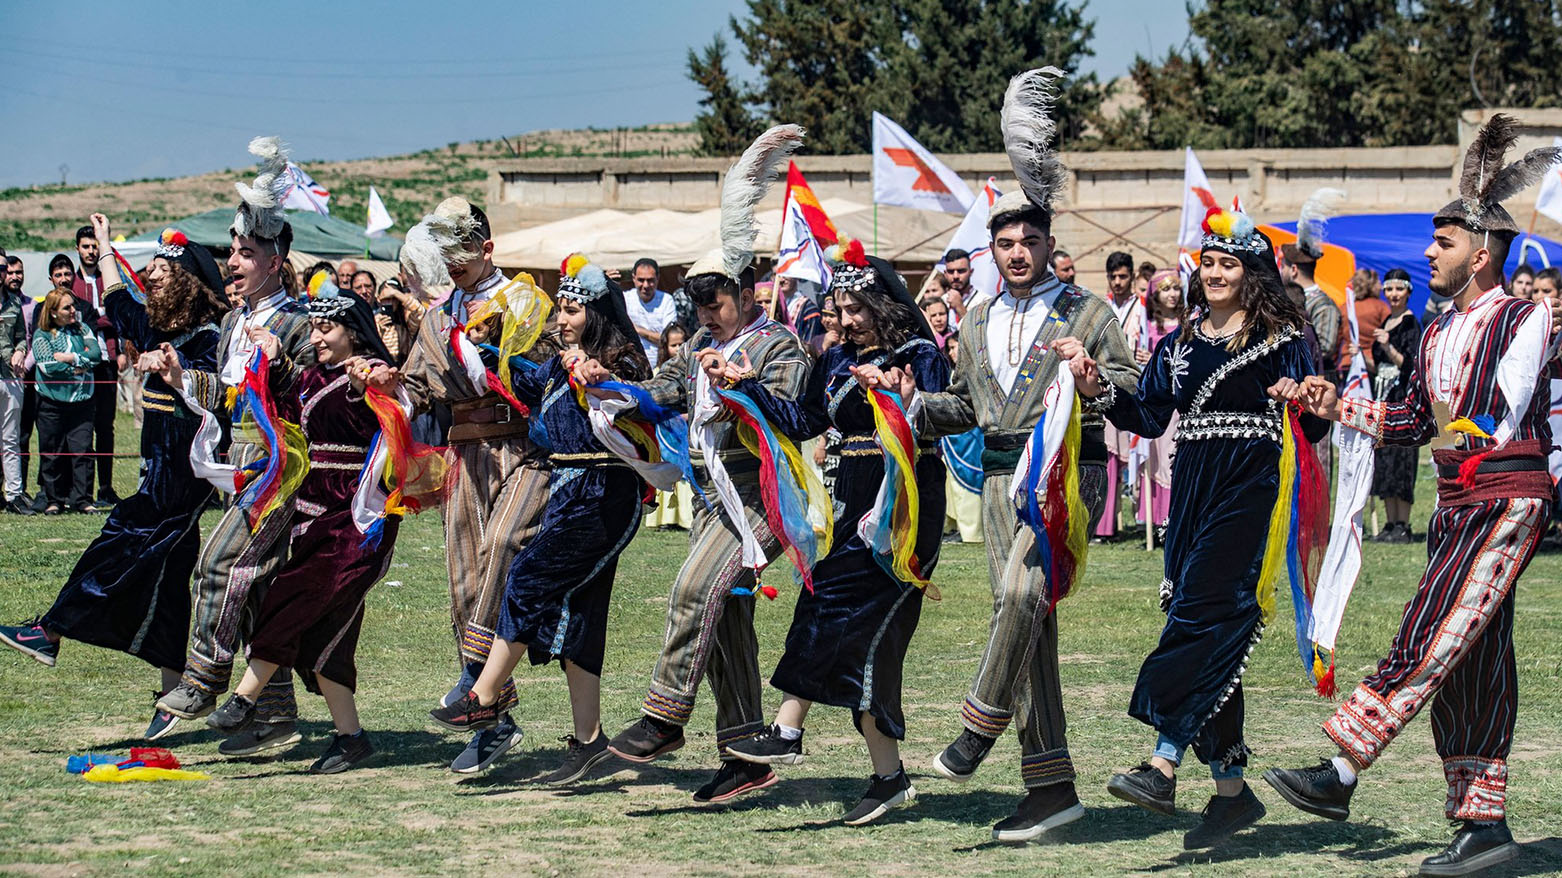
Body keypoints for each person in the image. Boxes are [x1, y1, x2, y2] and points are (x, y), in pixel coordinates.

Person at [1264, 114, 1560, 877]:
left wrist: (1464, 430)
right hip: (1457, 504)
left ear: (1484, 253)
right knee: (1472, 661)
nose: (1428, 252)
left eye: (1444, 242)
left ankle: (1343, 770)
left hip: (1507, 499)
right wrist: (1334, 405)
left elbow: (1504, 401)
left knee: (1429, 629)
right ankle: (1483, 827)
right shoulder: (1430, 334)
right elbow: (1404, 420)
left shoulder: (1526, 315)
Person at [863, 68, 1139, 843]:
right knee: (1026, 625)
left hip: (1061, 479)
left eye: (1030, 241)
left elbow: (1130, 385)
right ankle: (1051, 789)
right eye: (1006, 243)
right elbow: (962, 404)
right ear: (993, 250)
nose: (1018, 252)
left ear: (1054, 247)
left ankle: (978, 724)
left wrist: (1090, 378)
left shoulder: (1090, 310)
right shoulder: (976, 319)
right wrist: (907, 404)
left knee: (1022, 600)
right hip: (991, 477)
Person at [1069, 206, 1327, 850]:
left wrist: (1313, 403)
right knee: (1208, 627)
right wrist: (1095, 387)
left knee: (1207, 613)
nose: (1213, 273)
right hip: (1191, 488)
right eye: (1207, 262)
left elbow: (1314, 419)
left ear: (1252, 274)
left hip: (1254, 485)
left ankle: (1162, 762)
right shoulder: (1179, 344)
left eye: (1228, 264)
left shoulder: (1286, 337)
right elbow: (1150, 416)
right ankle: (1233, 794)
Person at [582, 125, 811, 804]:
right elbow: (665, 390)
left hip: (764, 500)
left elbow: (795, 418)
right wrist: (613, 390)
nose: (707, 312)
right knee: (727, 618)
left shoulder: (776, 346)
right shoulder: (698, 349)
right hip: (717, 501)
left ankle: (663, 716)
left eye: (717, 299)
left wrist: (742, 385)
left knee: (690, 590)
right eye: (700, 302)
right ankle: (744, 757)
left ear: (746, 290)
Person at [715, 245, 948, 824]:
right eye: (837, 309)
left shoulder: (919, 354)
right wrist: (747, 387)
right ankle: (888, 778)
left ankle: (788, 728)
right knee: (863, 646)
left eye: (856, 309)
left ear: (882, 303)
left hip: (902, 508)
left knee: (833, 607)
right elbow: (802, 422)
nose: (845, 321)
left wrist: (903, 398)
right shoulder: (836, 358)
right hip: (849, 503)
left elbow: (946, 412)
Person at [0, 218, 228, 739]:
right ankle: (176, 690)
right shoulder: (155, 325)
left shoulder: (208, 337)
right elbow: (117, 295)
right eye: (153, 269)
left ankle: (51, 630)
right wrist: (104, 248)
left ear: (190, 282)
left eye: (164, 272)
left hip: (184, 474)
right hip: (155, 466)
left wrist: (177, 375)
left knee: (122, 532)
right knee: (170, 578)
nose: (152, 276)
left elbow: (225, 390)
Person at [431, 255, 652, 786]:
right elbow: (527, 384)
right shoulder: (561, 361)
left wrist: (601, 379)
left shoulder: (620, 361)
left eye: (573, 310)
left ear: (596, 311)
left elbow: (642, 399)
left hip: (604, 494)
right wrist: (486, 344)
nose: (563, 319)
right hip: (568, 492)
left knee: (528, 576)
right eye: (562, 310)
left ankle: (482, 697)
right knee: (579, 622)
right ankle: (589, 741)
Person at [154, 137, 316, 757]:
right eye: (231, 253)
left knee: (220, 565)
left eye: (246, 254)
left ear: (275, 260)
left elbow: (316, 394)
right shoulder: (230, 323)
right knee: (251, 587)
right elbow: (226, 397)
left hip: (285, 468)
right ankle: (272, 719)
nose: (233, 262)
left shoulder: (297, 323)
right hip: (242, 463)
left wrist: (282, 369)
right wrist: (177, 376)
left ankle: (203, 679)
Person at [205, 286, 408, 774]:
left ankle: (244, 698)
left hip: (356, 522)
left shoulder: (367, 378)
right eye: (314, 326)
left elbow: (394, 400)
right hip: (310, 513)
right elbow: (286, 406)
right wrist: (273, 360)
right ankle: (351, 739)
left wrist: (371, 381)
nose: (315, 336)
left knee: (290, 597)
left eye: (326, 328)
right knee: (325, 638)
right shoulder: (312, 376)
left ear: (352, 334)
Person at [398, 195, 557, 774]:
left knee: (503, 543)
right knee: (464, 579)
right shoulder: (437, 314)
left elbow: (544, 369)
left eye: (463, 251)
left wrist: (496, 355)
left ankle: (473, 678)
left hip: (524, 447)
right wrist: (390, 384)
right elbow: (417, 386)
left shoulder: (524, 300)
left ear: (487, 247)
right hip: (464, 454)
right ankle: (492, 722)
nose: (454, 262)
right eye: (445, 253)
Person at [29, 287, 104, 514]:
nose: (74, 310)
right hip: (51, 402)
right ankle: (54, 499)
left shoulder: (82, 329)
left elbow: (96, 356)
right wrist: (79, 368)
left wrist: (71, 357)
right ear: (53, 312)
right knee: (52, 451)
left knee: (83, 450)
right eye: (67, 307)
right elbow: (48, 367)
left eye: (73, 305)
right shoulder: (42, 335)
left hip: (82, 401)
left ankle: (83, 500)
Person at [1096, 250, 1148, 541]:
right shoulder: (1101, 307)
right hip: (1105, 385)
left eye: (1123, 276)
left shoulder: (1141, 309)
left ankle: (1142, 517)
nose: (1117, 282)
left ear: (1132, 276)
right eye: (1113, 276)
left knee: (1138, 454)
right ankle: (1105, 525)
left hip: (1134, 385)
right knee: (1109, 455)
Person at [1369, 268, 1421, 544]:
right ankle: (1390, 523)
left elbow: (1411, 365)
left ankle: (1403, 523)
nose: (1394, 294)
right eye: (1389, 289)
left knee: (1402, 458)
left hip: (1401, 397)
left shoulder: (1410, 325)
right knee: (1385, 457)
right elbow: (1379, 366)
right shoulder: (1387, 321)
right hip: (1383, 397)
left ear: (1408, 291)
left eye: (1399, 289)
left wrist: (1389, 348)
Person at [71, 225, 121, 505]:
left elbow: (118, 315)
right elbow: (80, 320)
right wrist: (100, 317)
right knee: (82, 426)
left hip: (107, 361)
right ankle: (82, 491)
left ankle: (106, 487)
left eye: (94, 247)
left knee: (106, 426)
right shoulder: (73, 284)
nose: (91, 252)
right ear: (77, 248)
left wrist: (98, 319)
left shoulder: (109, 280)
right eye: (86, 247)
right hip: (81, 364)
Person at [1141, 270, 1181, 535]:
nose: (1172, 294)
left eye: (1176, 288)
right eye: (1166, 289)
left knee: (1176, 456)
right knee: (1158, 458)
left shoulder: (1189, 323)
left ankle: (1177, 516)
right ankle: (1158, 517)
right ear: (1156, 294)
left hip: (1181, 401)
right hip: (1160, 401)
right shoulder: (1149, 327)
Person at [643, 323, 694, 531]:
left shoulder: (693, 374)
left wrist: (687, 416)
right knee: (667, 468)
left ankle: (685, 516)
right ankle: (664, 517)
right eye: (674, 345)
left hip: (686, 430)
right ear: (665, 347)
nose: (679, 349)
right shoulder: (658, 373)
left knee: (685, 469)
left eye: (683, 344)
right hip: (665, 431)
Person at [0, 250, 31, 514]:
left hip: (9, 378)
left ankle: (14, 495)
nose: (2, 274)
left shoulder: (12, 303)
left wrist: (21, 349)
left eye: (3, 268)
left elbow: (21, 335)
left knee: (10, 440)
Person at [623, 257, 677, 366]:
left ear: (658, 278)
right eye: (641, 280)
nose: (646, 285)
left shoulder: (666, 300)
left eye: (650, 280)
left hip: (661, 365)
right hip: (633, 364)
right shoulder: (625, 299)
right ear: (633, 278)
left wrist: (637, 330)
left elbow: (670, 339)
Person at [1346, 268, 1391, 371]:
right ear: (1371, 285)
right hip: (1369, 364)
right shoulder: (1380, 307)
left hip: (1346, 362)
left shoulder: (1345, 308)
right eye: (1378, 282)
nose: (1381, 287)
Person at [941, 248, 973, 327]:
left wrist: (960, 307)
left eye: (961, 271)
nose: (955, 276)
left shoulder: (984, 301)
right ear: (945, 274)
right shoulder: (941, 301)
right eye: (951, 271)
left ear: (971, 272)